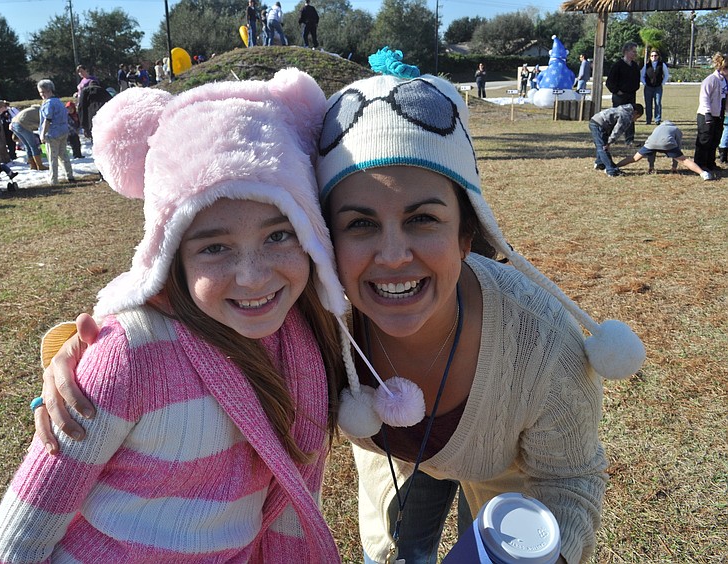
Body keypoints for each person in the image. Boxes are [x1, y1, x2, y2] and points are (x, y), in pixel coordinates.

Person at [35, 48, 645, 564]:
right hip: (388, 448)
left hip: (504, 465)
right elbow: (186, 310)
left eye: (423, 219)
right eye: (359, 224)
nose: (392, 256)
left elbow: (569, 480)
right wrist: (78, 352)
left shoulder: (541, 343)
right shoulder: (310, 308)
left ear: (468, 232)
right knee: (393, 550)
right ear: (321, 240)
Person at [0, 69, 349, 563]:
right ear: (171, 253)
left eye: (279, 236)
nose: (254, 276)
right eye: (215, 247)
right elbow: (24, 528)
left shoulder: (308, 338)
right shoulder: (131, 358)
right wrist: (74, 351)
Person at [616, 121, 714, 180]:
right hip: (667, 143)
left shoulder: (657, 128)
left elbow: (652, 153)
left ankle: (614, 167)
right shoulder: (675, 129)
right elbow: (678, 146)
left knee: (635, 158)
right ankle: (703, 173)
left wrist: (651, 166)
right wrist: (674, 167)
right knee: (684, 160)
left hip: (651, 143)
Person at [694, 53, 728, 173]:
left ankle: (710, 163)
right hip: (706, 115)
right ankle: (700, 164)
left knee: (715, 140)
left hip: (718, 115)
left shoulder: (724, 80)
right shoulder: (711, 79)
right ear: (722, 67)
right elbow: (704, 97)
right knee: (704, 140)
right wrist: (707, 113)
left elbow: (724, 98)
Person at [589, 103, 644, 177]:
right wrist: (609, 142)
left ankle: (600, 164)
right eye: (637, 117)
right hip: (598, 124)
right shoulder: (626, 116)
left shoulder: (624, 108)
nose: (635, 120)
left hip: (597, 121)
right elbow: (617, 131)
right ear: (635, 112)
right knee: (603, 147)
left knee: (602, 145)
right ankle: (612, 170)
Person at [37, 79, 75, 185]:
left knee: (52, 157)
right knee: (63, 155)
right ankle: (70, 175)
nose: (42, 95)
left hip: (53, 133)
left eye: (42, 92)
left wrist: (42, 134)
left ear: (48, 90)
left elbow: (47, 120)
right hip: (63, 131)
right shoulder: (59, 101)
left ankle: (53, 179)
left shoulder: (48, 104)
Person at [606, 42, 640, 144]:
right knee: (617, 117)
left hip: (631, 95)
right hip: (619, 97)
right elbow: (609, 82)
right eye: (633, 51)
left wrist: (634, 88)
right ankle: (610, 138)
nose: (635, 54)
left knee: (630, 117)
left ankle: (629, 140)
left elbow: (637, 80)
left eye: (635, 52)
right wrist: (617, 91)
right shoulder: (618, 65)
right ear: (626, 52)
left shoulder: (635, 66)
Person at [10, 105, 46, 170]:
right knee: (33, 145)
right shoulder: (41, 112)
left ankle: (33, 165)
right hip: (22, 125)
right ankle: (40, 166)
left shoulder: (31, 110)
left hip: (13, 124)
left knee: (27, 145)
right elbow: (41, 125)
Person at [640, 50, 670, 125]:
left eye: (655, 55)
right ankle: (648, 120)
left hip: (658, 87)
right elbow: (642, 76)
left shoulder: (662, 65)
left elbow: (666, 75)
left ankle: (657, 119)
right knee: (648, 104)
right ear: (650, 57)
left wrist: (662, 83)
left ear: (658, 56)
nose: (654, 57)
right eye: (652, 56)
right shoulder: (646, 65)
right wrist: (645, 83)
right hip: (648, 88)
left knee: (658, 103)